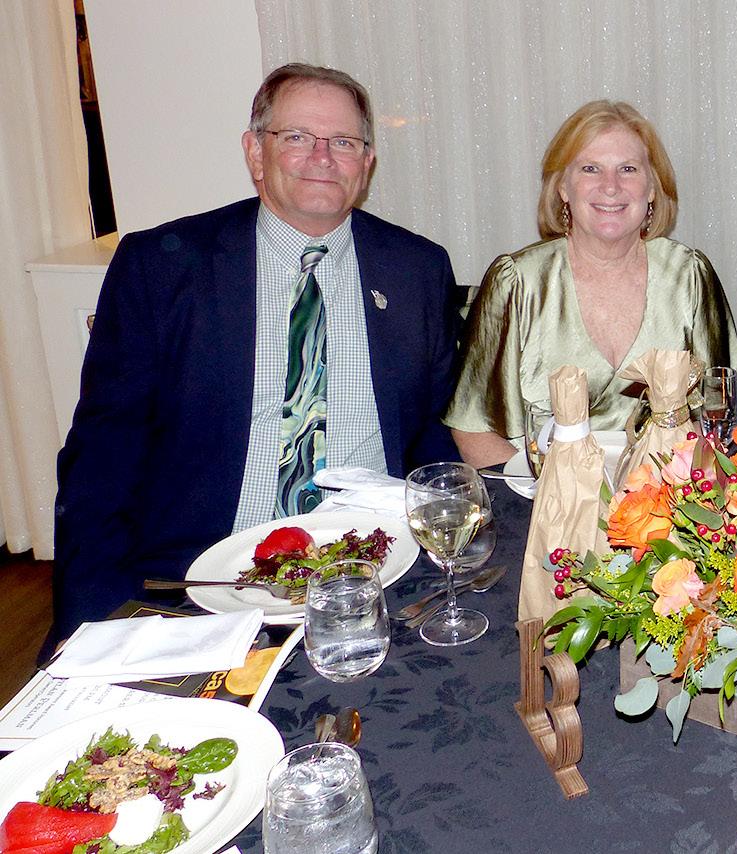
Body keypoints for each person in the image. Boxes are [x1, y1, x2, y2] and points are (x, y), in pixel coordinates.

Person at [52, 64, 463, 640]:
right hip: (204, 577)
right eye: (296, 137)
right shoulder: (161, 268)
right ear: (254, 152)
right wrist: (91, 622)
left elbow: (433, 431)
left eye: (344, 142)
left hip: (374, 569)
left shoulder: (417, 268)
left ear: (367, 163)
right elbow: (103, 456)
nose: (322, 157)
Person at [445, 100, 737, 467]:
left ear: (652, 187)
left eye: (628, 169)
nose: (610, 187)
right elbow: (473, 430)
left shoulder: (690, 276)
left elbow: (718, 418)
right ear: (563, 188)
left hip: (666, 496)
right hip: (540, 494)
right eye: (590, 169)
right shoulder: (517, 282)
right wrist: (553, 495)